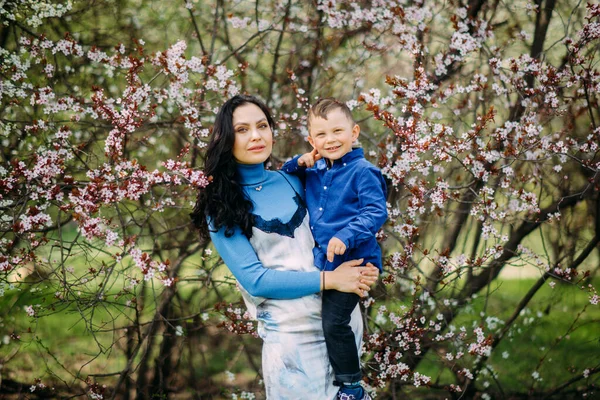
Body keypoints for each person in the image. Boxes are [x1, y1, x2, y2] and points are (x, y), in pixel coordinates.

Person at [190, 94, 379, 399]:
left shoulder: (294, 180)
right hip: (293, 348)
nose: (256, 136)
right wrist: (330, 279)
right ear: (225, 138)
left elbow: (344, 220)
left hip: (340, 331)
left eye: (262, 125)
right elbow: (256, 280)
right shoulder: (222, 206)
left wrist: (365, 268)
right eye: (242, 129)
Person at [282, 98, 388, 400]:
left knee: (334, 321)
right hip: (326, 262)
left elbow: (375, 211)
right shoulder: (316, 170)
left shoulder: (363, 172)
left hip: (356, 261)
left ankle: (352, 387)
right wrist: (300, 162)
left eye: (338, 131)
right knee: (318, 321)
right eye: (322, 135)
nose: (331, 140)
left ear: (354, 133)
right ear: (312, 140)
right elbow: (285, 173)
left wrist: (347, 234)